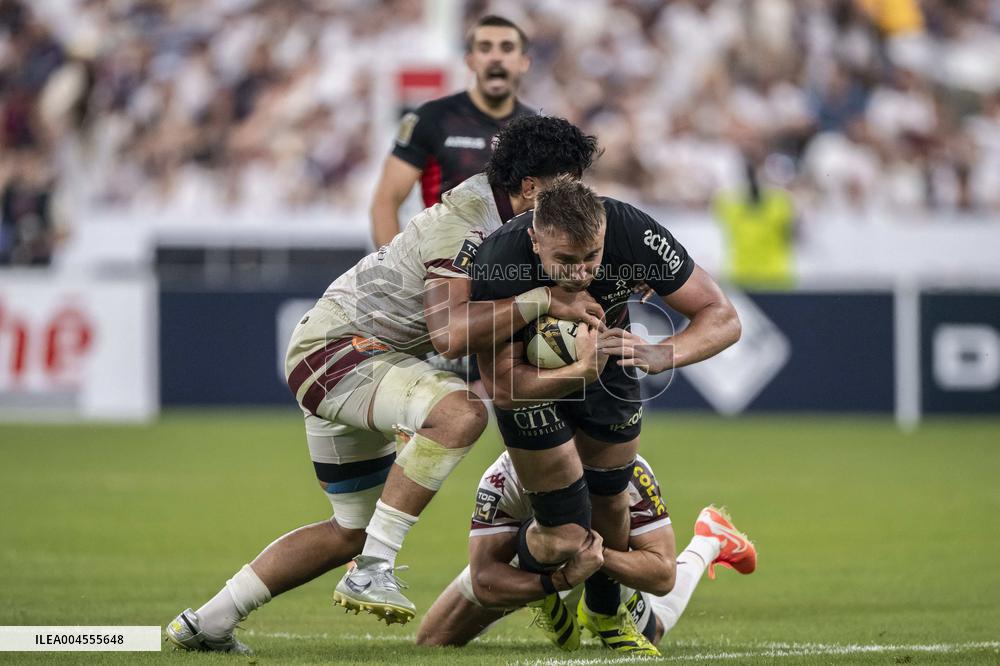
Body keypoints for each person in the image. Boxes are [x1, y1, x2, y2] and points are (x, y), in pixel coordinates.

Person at [165, 116, 604, 654]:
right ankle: (373, 568)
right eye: (568, 182)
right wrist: (543, 301)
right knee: (461, 413)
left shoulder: (515, 222)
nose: (577, 195)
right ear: (531, 186)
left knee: (348, 529)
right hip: (338, 351)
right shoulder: (467, 223)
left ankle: (206, 623)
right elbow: (449, 335)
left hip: (352, 355)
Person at [470, 179, 742, 656]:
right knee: (563, 533)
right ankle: (549, 583)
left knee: (610, 503)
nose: (580, 272)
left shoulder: (631, 232)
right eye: (565, 260)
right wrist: (578, 371)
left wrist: (663, 353)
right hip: (530, 384)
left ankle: (603, 609)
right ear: (534, 240)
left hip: (610, 373)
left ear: (604, 235)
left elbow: (723, 317)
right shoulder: (499, 258)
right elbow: (505, 388)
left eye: (591, 257)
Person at [415, 451, 756, 651]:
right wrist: (556, 582)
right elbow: (484, 577)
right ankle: (546, 595)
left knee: (651, 633)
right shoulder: (503, 477)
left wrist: (596, 556)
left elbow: (662, 575)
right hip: (528, 564)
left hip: (602, 564)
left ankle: (709, 541)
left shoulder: (627, 472)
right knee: (432, 641)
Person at [370, 14, 535, 248]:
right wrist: (394, 267)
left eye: (507, 48)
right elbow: (386, 201)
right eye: (485, 48)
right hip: (443, 261)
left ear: (524, 62)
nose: (496, 57)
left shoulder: (537, 129)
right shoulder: (433, 118)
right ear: (470, 61)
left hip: (512, 265)